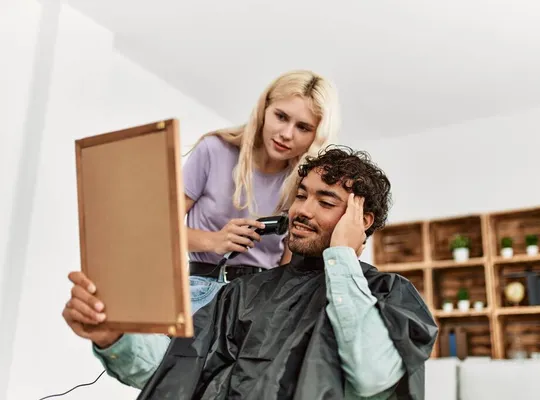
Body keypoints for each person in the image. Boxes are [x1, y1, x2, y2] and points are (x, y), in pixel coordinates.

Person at [61, 69, 341, 389]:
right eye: (281, 116)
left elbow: (288, 265)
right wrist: (215, 240)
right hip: (200, 288)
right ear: (264, 108)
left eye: (303, 127)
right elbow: (157, 230)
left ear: (317, 134)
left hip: (259, 299)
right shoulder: (214, 150)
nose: (287, 133)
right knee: (172, 381)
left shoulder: (303, 184)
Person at [129, 146, 436, 399]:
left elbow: (373, 377)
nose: (303, 210)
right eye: (301, 196)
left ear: (362, 220)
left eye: (326, 202)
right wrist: (114, 340)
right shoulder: (242, 294)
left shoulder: (389, 293)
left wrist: (342, 255)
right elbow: (176, 371)